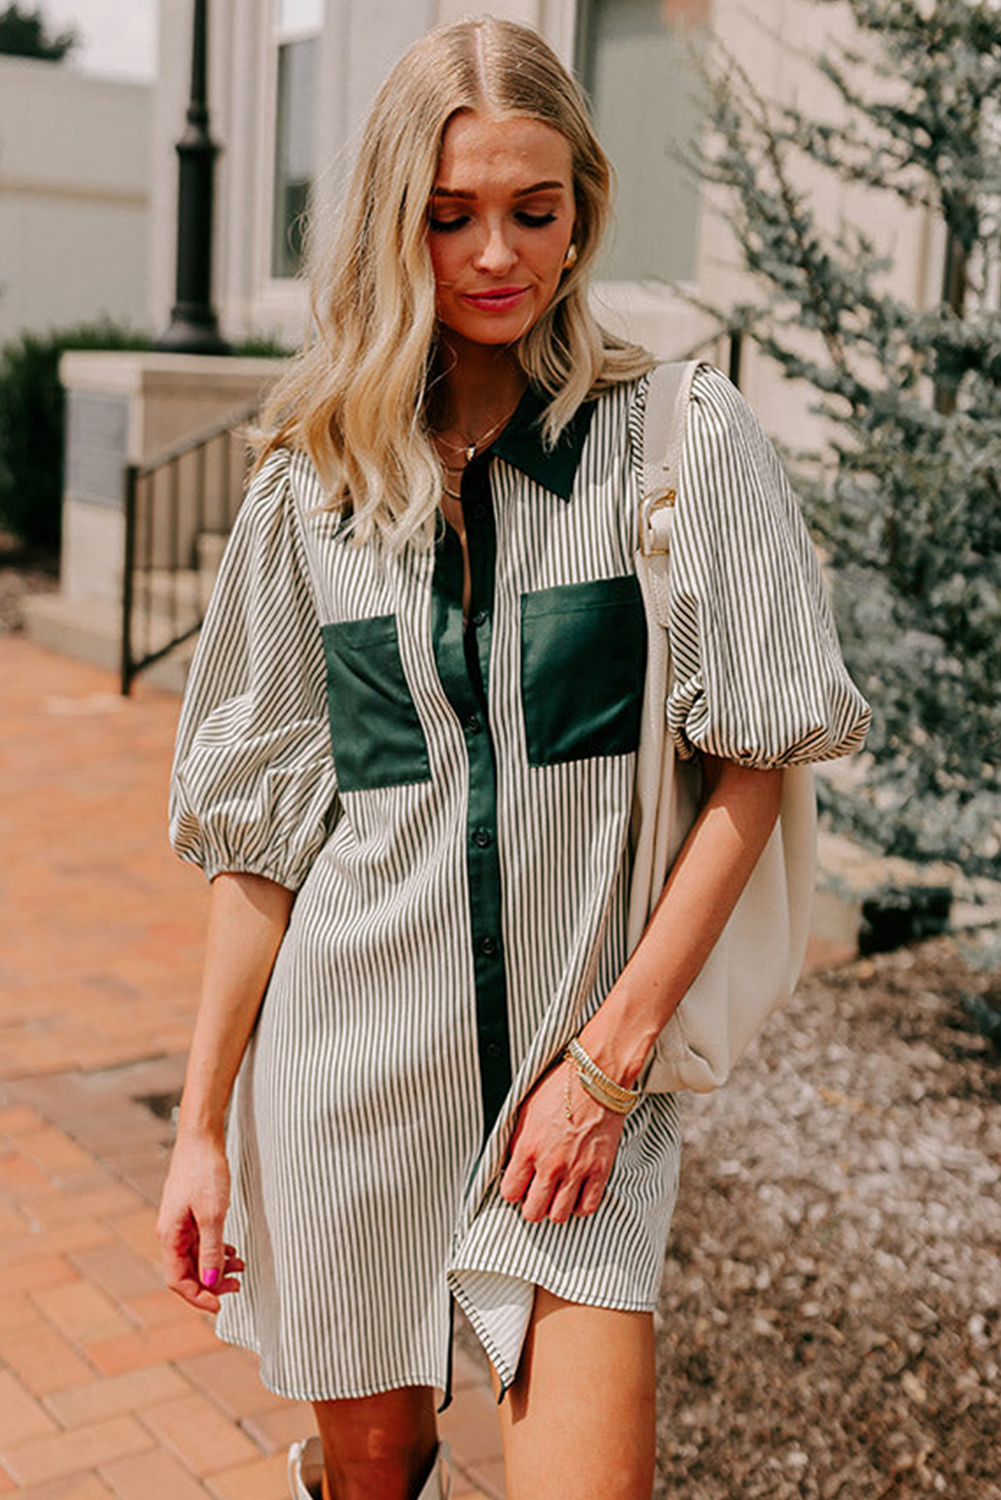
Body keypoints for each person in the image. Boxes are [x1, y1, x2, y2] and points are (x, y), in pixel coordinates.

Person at [156, 17, 870, 1500]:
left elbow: (754, 770)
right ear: (387, 225)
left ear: (581, 209)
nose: (497, 255)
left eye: (534, 213)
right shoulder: (314, 493)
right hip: (349, 1081)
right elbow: (264, 844)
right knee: (376, 1477)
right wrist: (204, 1128)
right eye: (449, 216)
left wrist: (607, 1068)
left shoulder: (678, 443)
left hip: (578, 1102)